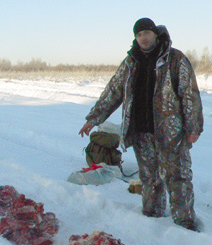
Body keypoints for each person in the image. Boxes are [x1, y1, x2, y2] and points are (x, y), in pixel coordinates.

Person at [78, 18, 204, 231]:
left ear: (156, 34)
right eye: (139, 34)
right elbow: (113, 92)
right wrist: (93, 118)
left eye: (147, 33)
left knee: (178, 178)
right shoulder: (130, 61)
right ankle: (151, 220)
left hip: (170, 133)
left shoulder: (175, 59)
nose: (143, 38)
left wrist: (193, 127)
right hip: (141, 132)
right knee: (149, 178)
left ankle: (185, 226)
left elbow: (189, 94)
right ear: (135, 38)